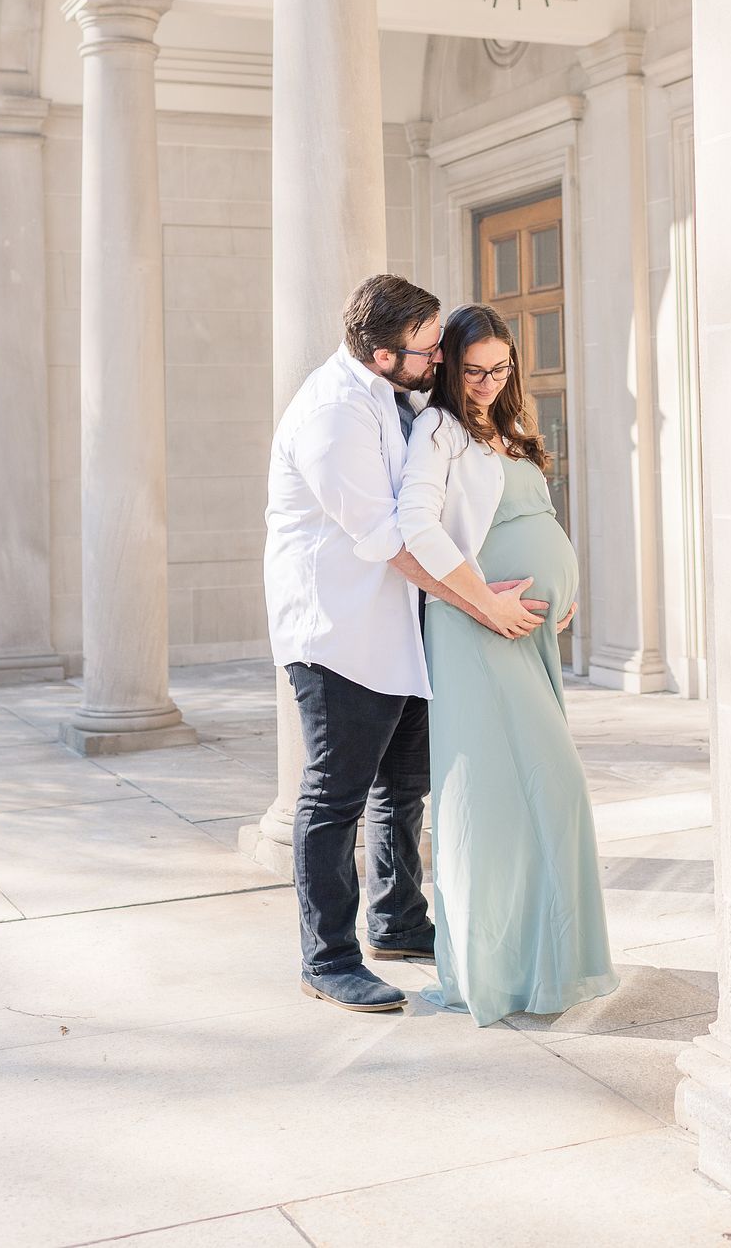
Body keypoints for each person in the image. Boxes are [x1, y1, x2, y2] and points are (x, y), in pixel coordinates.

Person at [264, 276, 545, 1016]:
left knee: (402, 784)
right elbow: (389, 538)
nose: (440, 361)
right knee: (335, 796)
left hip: (399, 628)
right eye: (428, 352)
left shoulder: (397, 398)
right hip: (338, 632)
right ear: (384, 356)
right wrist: (482, 605)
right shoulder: (332, 416)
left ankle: (397, 921)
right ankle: (328, 959)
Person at [397, 302, 618, 1026]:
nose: (488, 381)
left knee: (534, 797)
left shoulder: (512, 426)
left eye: (500, 368)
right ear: (448, 366)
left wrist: (563, 590)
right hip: (476, 628)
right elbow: (415, 524)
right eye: (473, 370)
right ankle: (493, 972)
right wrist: (483, 601)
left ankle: (541, 963)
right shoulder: (438, 430)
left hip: (527, 633)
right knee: (510, 794)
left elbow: (534, 519)